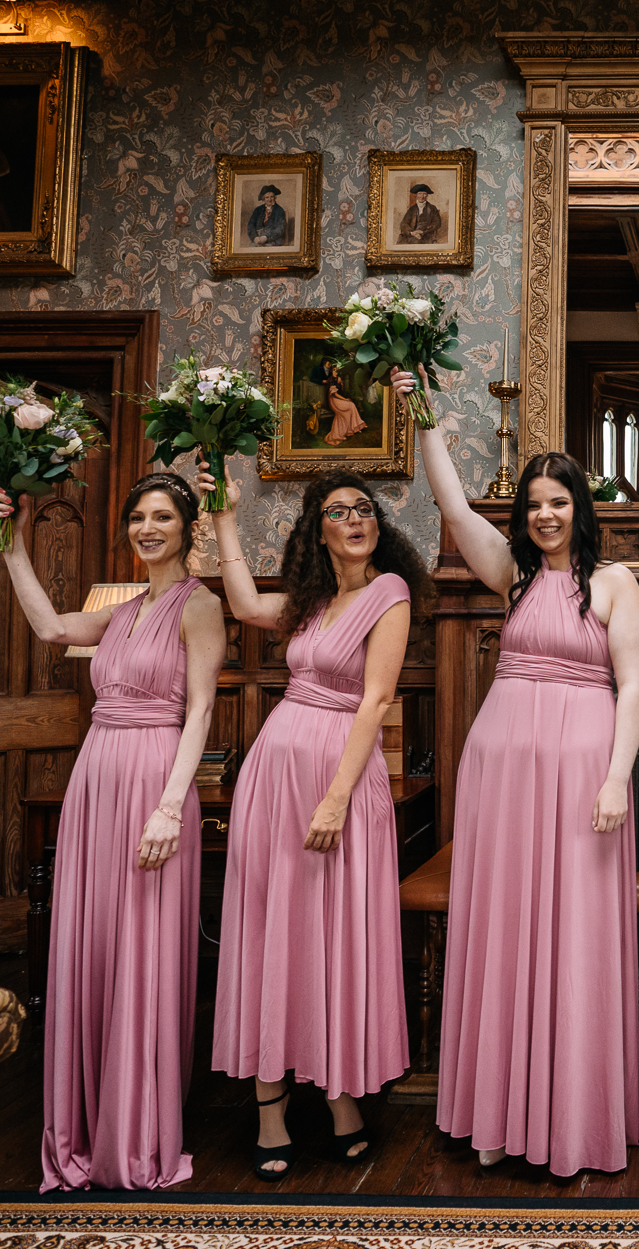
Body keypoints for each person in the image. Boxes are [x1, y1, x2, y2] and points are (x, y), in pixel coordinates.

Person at [401, 367, 639, 1175]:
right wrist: (423, 412)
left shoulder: (613, 584)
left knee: (574, 931)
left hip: (583, 768)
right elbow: (451, 503)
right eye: (534, 504)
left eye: (559, 501)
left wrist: (616, 778)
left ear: (580, 508)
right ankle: (500, 1109)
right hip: (502, 768)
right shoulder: (509, 576)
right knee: (506, 926)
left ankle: (571, 1117)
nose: (545, 514)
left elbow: (637, 683)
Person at [0, 472, 223, 1191]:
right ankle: (82, 1123)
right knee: (91, 942)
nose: (148, 529)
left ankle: (137, 1127)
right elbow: (52, 627)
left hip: (152, 776)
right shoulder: (122, 609)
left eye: (162, 518)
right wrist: (9, 542)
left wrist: (170, 807)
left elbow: (203, 711)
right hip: (95, 779)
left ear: (187, 527)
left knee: (142, 946)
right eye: (138, 519)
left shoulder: (200, 604)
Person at [201, 466, 434, 1180]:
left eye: (365, 508)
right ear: (318, 529)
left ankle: (339, 1095)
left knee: (333, 930)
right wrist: (225, 516)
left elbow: (376, 700)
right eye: (339, 511)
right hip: (275, 776)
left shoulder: (388, 593)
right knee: (274, 927)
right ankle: (270, 1105)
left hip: (338, 777)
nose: (357, 519)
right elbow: (241, 603)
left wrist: (335, 797)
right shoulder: (310, 602)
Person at [320, 360, 367, 446]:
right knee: (351, 405)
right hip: (334, 401)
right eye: (334, 370)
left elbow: (340, 391)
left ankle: (351, 428)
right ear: (331, 371)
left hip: (338, 399)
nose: (336, 371)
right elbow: (335, 394)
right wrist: (345, 399)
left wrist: (339, 381)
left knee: (348, 409)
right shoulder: (330, 380)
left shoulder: (337, 379)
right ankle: (357, 425)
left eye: (337, 370)